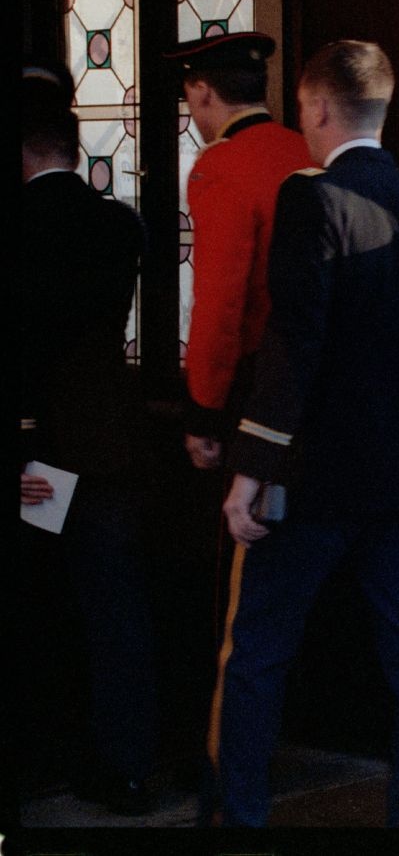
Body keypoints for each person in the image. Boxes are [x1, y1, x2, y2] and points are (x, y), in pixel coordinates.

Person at [209, 40, 399, 827]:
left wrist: (250, 467)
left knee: (255, 654)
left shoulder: (309, 198)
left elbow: (296, 342)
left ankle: (238, 823)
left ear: (317, 107)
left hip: (313, 477)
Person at [18, 61, 158, 815]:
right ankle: (128, 765)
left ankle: (45, 755)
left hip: (41, 450)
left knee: (42, 604)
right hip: (110, 439)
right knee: (116, 608)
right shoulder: (119, 224)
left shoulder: (22, 226)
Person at [164, 32, 312, 472]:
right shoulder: (306, 149)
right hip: (317, 374)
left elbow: (219, 304)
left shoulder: (220, 167)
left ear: (202, 91)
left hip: (254, 381)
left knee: (243, 527)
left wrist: (203, 412)